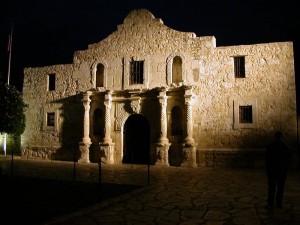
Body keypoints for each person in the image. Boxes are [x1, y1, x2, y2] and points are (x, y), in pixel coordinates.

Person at [265, 131, 291, 209]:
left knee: (272, 186)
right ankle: (279, 203)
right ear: (281, 137)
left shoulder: (271, 146)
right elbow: (289, 158)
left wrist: (268, 169)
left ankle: (271, 203)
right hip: (281, 170)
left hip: (272, 169)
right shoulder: (284, 146)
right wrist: (285, 166)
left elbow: (267, 158)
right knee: (280, 187)